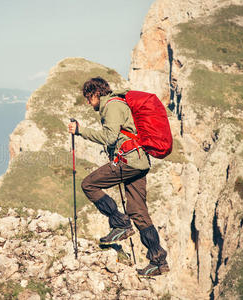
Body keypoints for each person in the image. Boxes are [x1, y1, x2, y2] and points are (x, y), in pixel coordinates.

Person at [67, 77, 169, 277]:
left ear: (96, 93)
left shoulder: (112, 106)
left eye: (89, 98)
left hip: (129, 161)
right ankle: (158, 262)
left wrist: (80, 131)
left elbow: (109, 137)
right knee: (138, 211)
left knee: (89, 184)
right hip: (139, 161)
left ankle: (120, 223)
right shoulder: (119, 103)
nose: (88, 103)